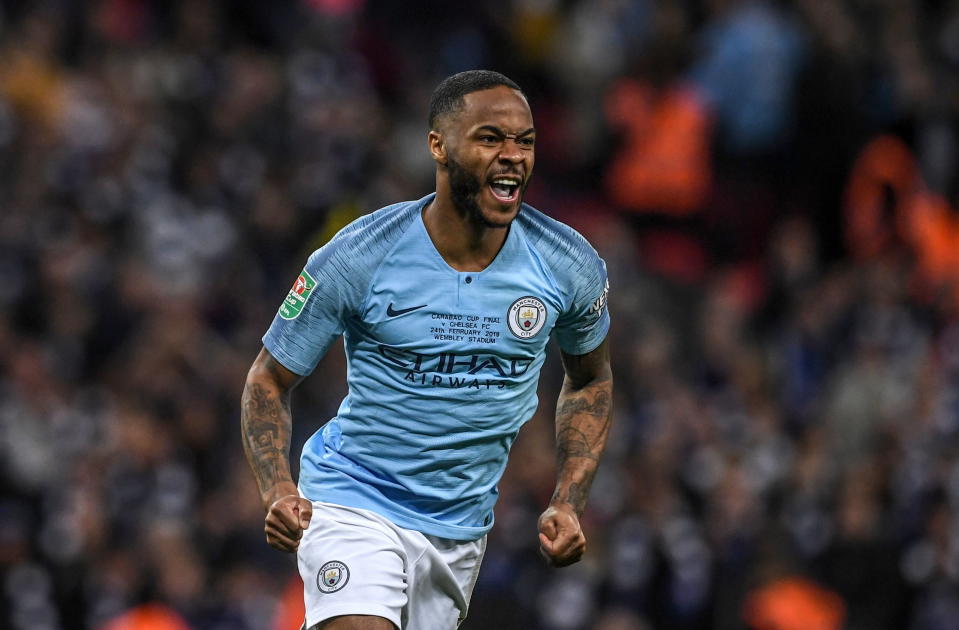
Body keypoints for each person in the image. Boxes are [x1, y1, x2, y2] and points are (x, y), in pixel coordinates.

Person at [241, 70, 613, 630]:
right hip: (353, 500)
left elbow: (590, 380)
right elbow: (267, 380)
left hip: (460, 529)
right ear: (438, 145)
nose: (513, 155)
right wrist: (277, 489)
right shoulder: (359, 256)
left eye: (526, 141)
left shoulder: (567, 264)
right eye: (491, 138)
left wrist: (568, 499)